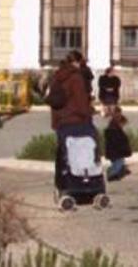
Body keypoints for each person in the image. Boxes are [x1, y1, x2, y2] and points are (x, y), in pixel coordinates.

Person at [48, 51, 96, 189]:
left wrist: (55, 122)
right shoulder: (76, 78)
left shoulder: (56, 77)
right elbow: (81, 102)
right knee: (84, 152)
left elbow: (54, 102)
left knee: (63, 154)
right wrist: (88, 114)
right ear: (78, 62)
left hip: (61, 123)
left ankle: (62, 185)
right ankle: (83, 185)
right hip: (77, 121)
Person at [104, 106, 132, 181]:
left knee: (118, 162)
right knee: (118, 163)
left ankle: (115, 173)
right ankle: (111, 174)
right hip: (116, 151)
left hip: (115, 151)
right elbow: (118, 141)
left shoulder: (113, 128)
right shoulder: (114, 129)